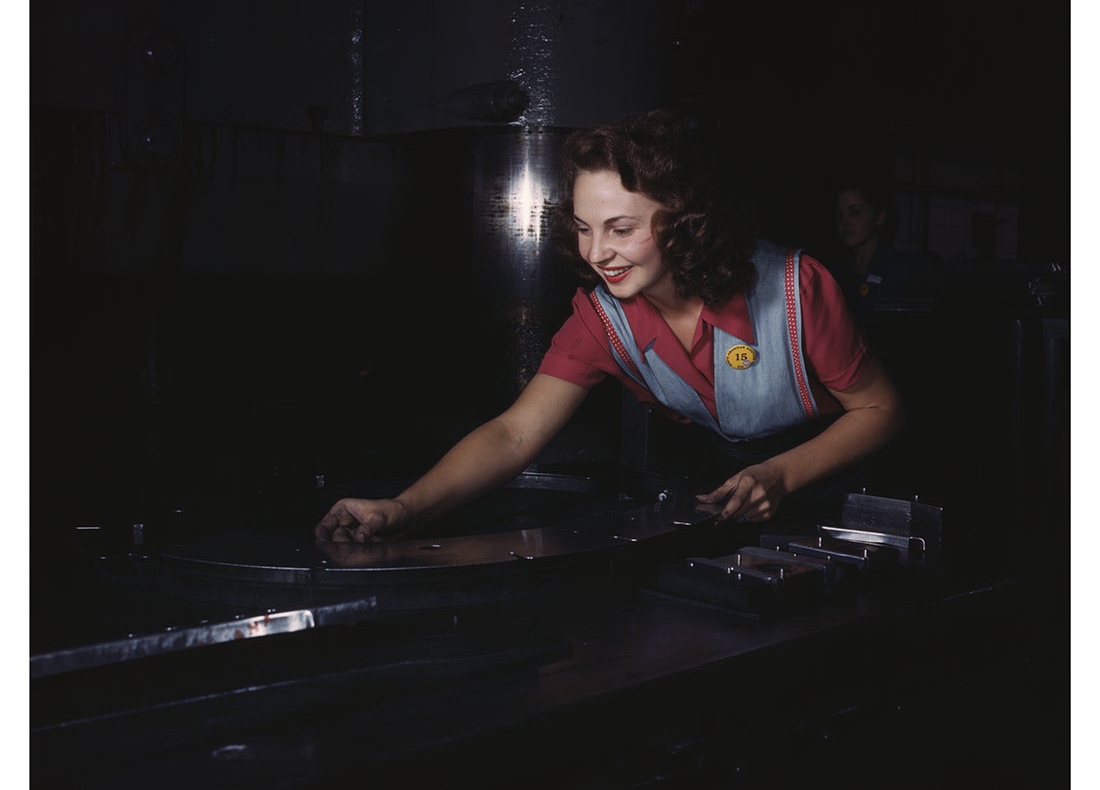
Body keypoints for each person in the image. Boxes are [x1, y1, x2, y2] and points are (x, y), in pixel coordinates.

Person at [316, 110, 905, 543]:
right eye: (582, 227)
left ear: (685, 221)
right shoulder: (600, 318)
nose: (596, 252)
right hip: (737, 498)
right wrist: (402, 508)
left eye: (621, 229)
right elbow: (514, 435)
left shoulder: (797, 287)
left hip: (840, 493)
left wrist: (781, 473)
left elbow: (880, 411)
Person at [828, 181, 942, 327]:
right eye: (839, 215)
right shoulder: (835, 275)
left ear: (879, 217)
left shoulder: (902, 269)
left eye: (855, 212)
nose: (845, 222)